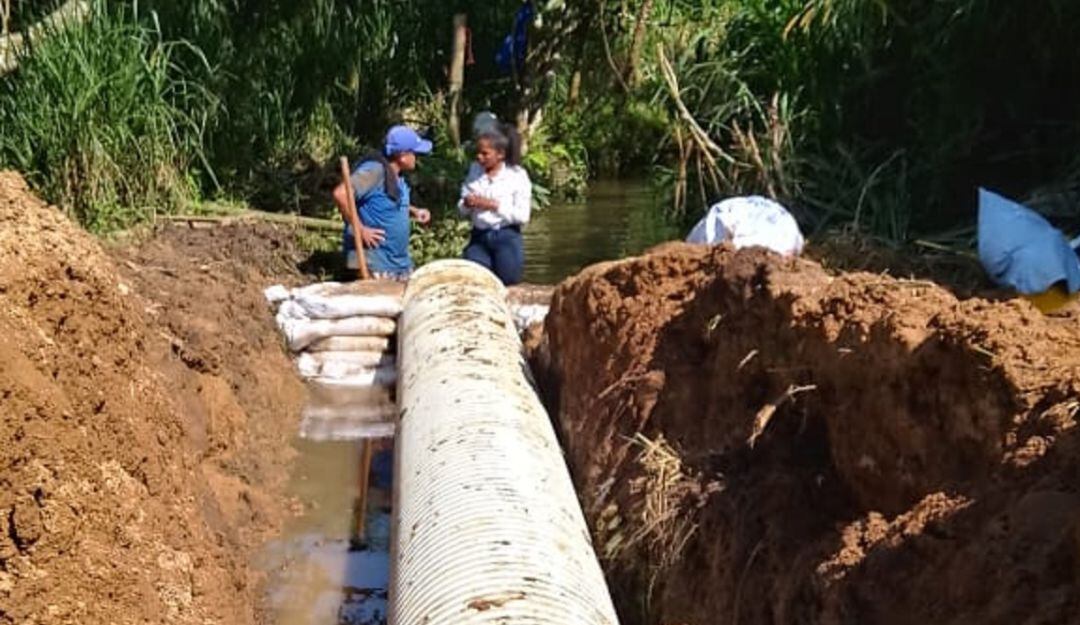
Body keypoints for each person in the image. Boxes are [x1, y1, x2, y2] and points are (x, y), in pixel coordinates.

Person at [332, 125, 432, 281]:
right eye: (414, 153)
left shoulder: (396, 176)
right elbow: (341, 194)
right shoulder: (374, 171)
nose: (416, 157)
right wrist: (360, 229)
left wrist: (413, 211)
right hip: (375, 265)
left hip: (397, 264)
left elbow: (387, 203)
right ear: (402, 156)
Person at [458, 124, 532, 285]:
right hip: (480, 236)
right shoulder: (474, 171)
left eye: (485, 154)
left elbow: (523, 216)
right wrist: (467, 203)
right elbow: (462, 207)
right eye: (478, 152)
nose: (479, 157)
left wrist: (493, 205)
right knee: (475, 279)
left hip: (506, 236)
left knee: (508, 282)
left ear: (500, 154)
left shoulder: (517, 176)